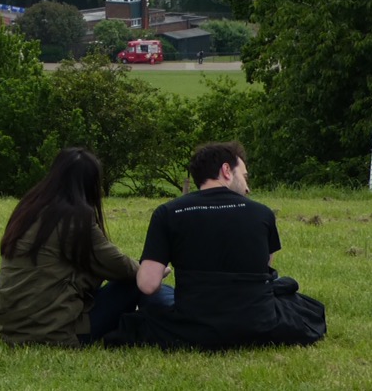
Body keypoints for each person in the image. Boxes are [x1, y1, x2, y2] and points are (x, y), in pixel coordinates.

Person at [107, 141, 326, 349]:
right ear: (226, 170)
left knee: (159, 295)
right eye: (244, 176)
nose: (248, 188)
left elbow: (147, 285)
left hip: (193, 324)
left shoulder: (168, 212)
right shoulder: (262, 213)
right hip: (256, 322)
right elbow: (265, 271)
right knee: (298, 299)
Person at [0, 147, 170, 346]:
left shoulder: (28, 207)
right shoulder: (75, 217)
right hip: (54, 331)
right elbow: (118, 265)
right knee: (136, 281)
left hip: (10, 330)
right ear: (91, 183)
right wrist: (153, 271)